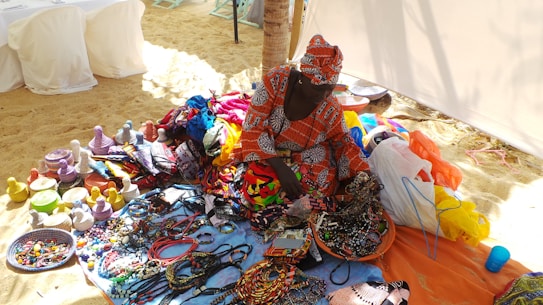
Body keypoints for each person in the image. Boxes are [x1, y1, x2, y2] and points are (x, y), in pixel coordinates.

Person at [240, 34, 369, 209]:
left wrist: (363, 172)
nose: (323, 96)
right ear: (303, 77)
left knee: (320, 184)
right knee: (258, 189)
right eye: (318, 89)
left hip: (305, 155)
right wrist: (279, 167)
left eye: (329, 90)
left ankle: (290, 201)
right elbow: (253, 125)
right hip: (267, 152)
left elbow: (343, 142)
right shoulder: (275, 81)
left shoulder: (330, 109)